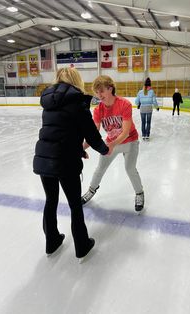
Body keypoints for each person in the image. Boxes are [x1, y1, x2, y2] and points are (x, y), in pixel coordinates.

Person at [33, 67, 109, 261]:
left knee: (51, 201)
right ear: (76, 80)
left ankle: (52, 241)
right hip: (65, 161)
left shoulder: (48, 102)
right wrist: (104, 149)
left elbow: (59, 132)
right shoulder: (77, 101)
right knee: (75, 205)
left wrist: (77, 149)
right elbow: (90, 133)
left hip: (44, 158)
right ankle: (82, 245)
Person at [81, 75, 144, 214]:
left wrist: (112, 145)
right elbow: (93, 134)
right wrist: (80, 149)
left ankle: (139, 193)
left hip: (130, 141)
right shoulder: (98, 110)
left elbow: (126, 132)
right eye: (97, 92)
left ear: (110, 88)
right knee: (100, 169)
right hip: (112, 143)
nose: (99, 95)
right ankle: (91, 191)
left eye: (102, 91)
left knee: (130, 168)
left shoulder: (124, 104)